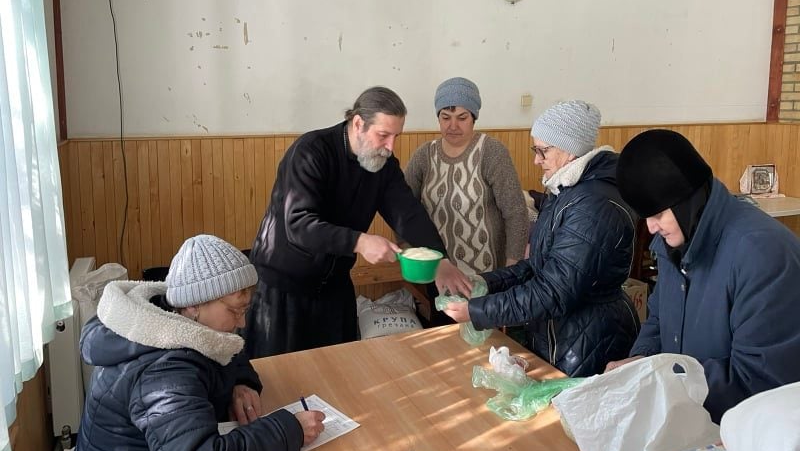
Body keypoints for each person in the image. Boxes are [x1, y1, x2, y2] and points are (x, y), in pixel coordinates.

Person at [245, 86, 468, 357]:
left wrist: (440, 260)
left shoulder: (384, 165)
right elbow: (298, 225)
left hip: (334, 286)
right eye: (383, 135)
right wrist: (360, 241)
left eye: (396, 136)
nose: (390, 147)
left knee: (339, 373)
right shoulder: (311, 151)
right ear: (359, 124)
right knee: (278, 380)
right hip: (284, 288)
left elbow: (408, 214)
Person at [69, 234, 325, 451]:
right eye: (235, 311)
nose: (242, 323)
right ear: (193, 304)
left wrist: (240, 382)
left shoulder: (173, 320)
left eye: (245, 310)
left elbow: (226, 350)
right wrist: (288, 431)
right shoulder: (164, 373)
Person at [606, 129, 800, 423]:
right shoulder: (678, 240)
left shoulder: (763, 254)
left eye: (657, 214)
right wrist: (641, 361)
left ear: (687, 200)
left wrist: (659, 377)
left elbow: (761, 381)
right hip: (689, 422)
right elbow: (659, 321)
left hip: (742, 437)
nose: (651, 228)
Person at [441, 100, 640, 377]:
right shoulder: (567, 190)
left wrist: (478, 312)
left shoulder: (593, 206)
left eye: (543, 151)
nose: (536, 160)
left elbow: (553, 291)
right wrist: (486, 283)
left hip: (589, 342)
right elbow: (538, 266)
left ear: (569, 150)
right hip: (563, 335)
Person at [405, 77, 529, 275]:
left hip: (487, 273)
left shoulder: (491, 152)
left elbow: (515, 212)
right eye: (445, 117)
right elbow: (403, 207)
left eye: (462, 118)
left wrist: (511, 268)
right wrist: (408, 251)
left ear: (474, 118)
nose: (453, 126)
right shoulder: (424, 155)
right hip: (436, 271)